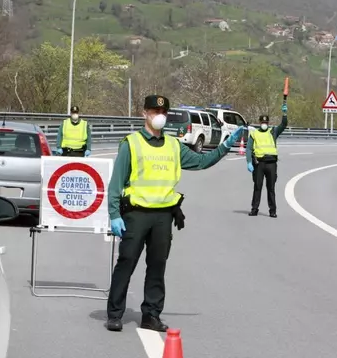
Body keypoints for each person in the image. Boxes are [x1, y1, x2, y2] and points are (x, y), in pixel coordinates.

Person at [105, 94, 246, 332]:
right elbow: (116, 183)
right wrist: (114, 214)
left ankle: (151, 315)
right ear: (144, 114)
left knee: (157, 266)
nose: (158, 116)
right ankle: (115, 314)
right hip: (136, 215)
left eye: (162, 112)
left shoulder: (173, 145)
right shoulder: (131, 144)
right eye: (153, 111)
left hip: (163, 216)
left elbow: (201, 162)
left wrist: (224, 147)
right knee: (126, 263)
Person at [245, 103, 288, 218]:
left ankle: (272, 211)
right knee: (257, 187)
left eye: (266, 122)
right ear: (260, 122)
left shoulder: (273, 132)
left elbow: (284, 125)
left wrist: (284, 114)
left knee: (271, 188)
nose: (264, 124)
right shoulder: (254, 133)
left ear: (268, 123)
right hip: (259, 163)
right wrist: (249, 161)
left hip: (271, 163)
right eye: (262, 122)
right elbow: (248, 148)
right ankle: (254, 209)